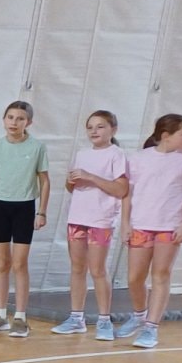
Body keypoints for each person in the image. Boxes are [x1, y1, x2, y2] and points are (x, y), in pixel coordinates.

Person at [0, 100, 50, 337]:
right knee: (2, 263)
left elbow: (44, 180)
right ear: (4, 119)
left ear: (29, 122)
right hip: (0, 207)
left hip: (24, 208)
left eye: (20, 119)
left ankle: (20, 317)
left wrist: (41, 212)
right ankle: (0, 315)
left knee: (19, 263)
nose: (14, 122)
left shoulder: (37, 147)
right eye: (10, 117)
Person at [51, 110, 128, 340]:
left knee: (97, 269)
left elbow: (121, 189)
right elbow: (72, 187)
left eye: (100, 126)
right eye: (90, 127)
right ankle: (76, 318)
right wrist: (71, 181)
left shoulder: (117, 155)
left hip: (100, 220)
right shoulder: (82, 154)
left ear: (113, 130)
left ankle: (104, 320)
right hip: (77, 218)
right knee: (77, 268)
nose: (94, 131)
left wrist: (91, 177)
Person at [119, 113, 182, 350]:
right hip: (141, 224)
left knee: (161, 275)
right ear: (166, 136)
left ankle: (151, 327)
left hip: (169, 227)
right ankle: (139, 314)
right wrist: (125, 223)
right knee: (135, 277)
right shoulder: (138, 159)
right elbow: (127, 194)